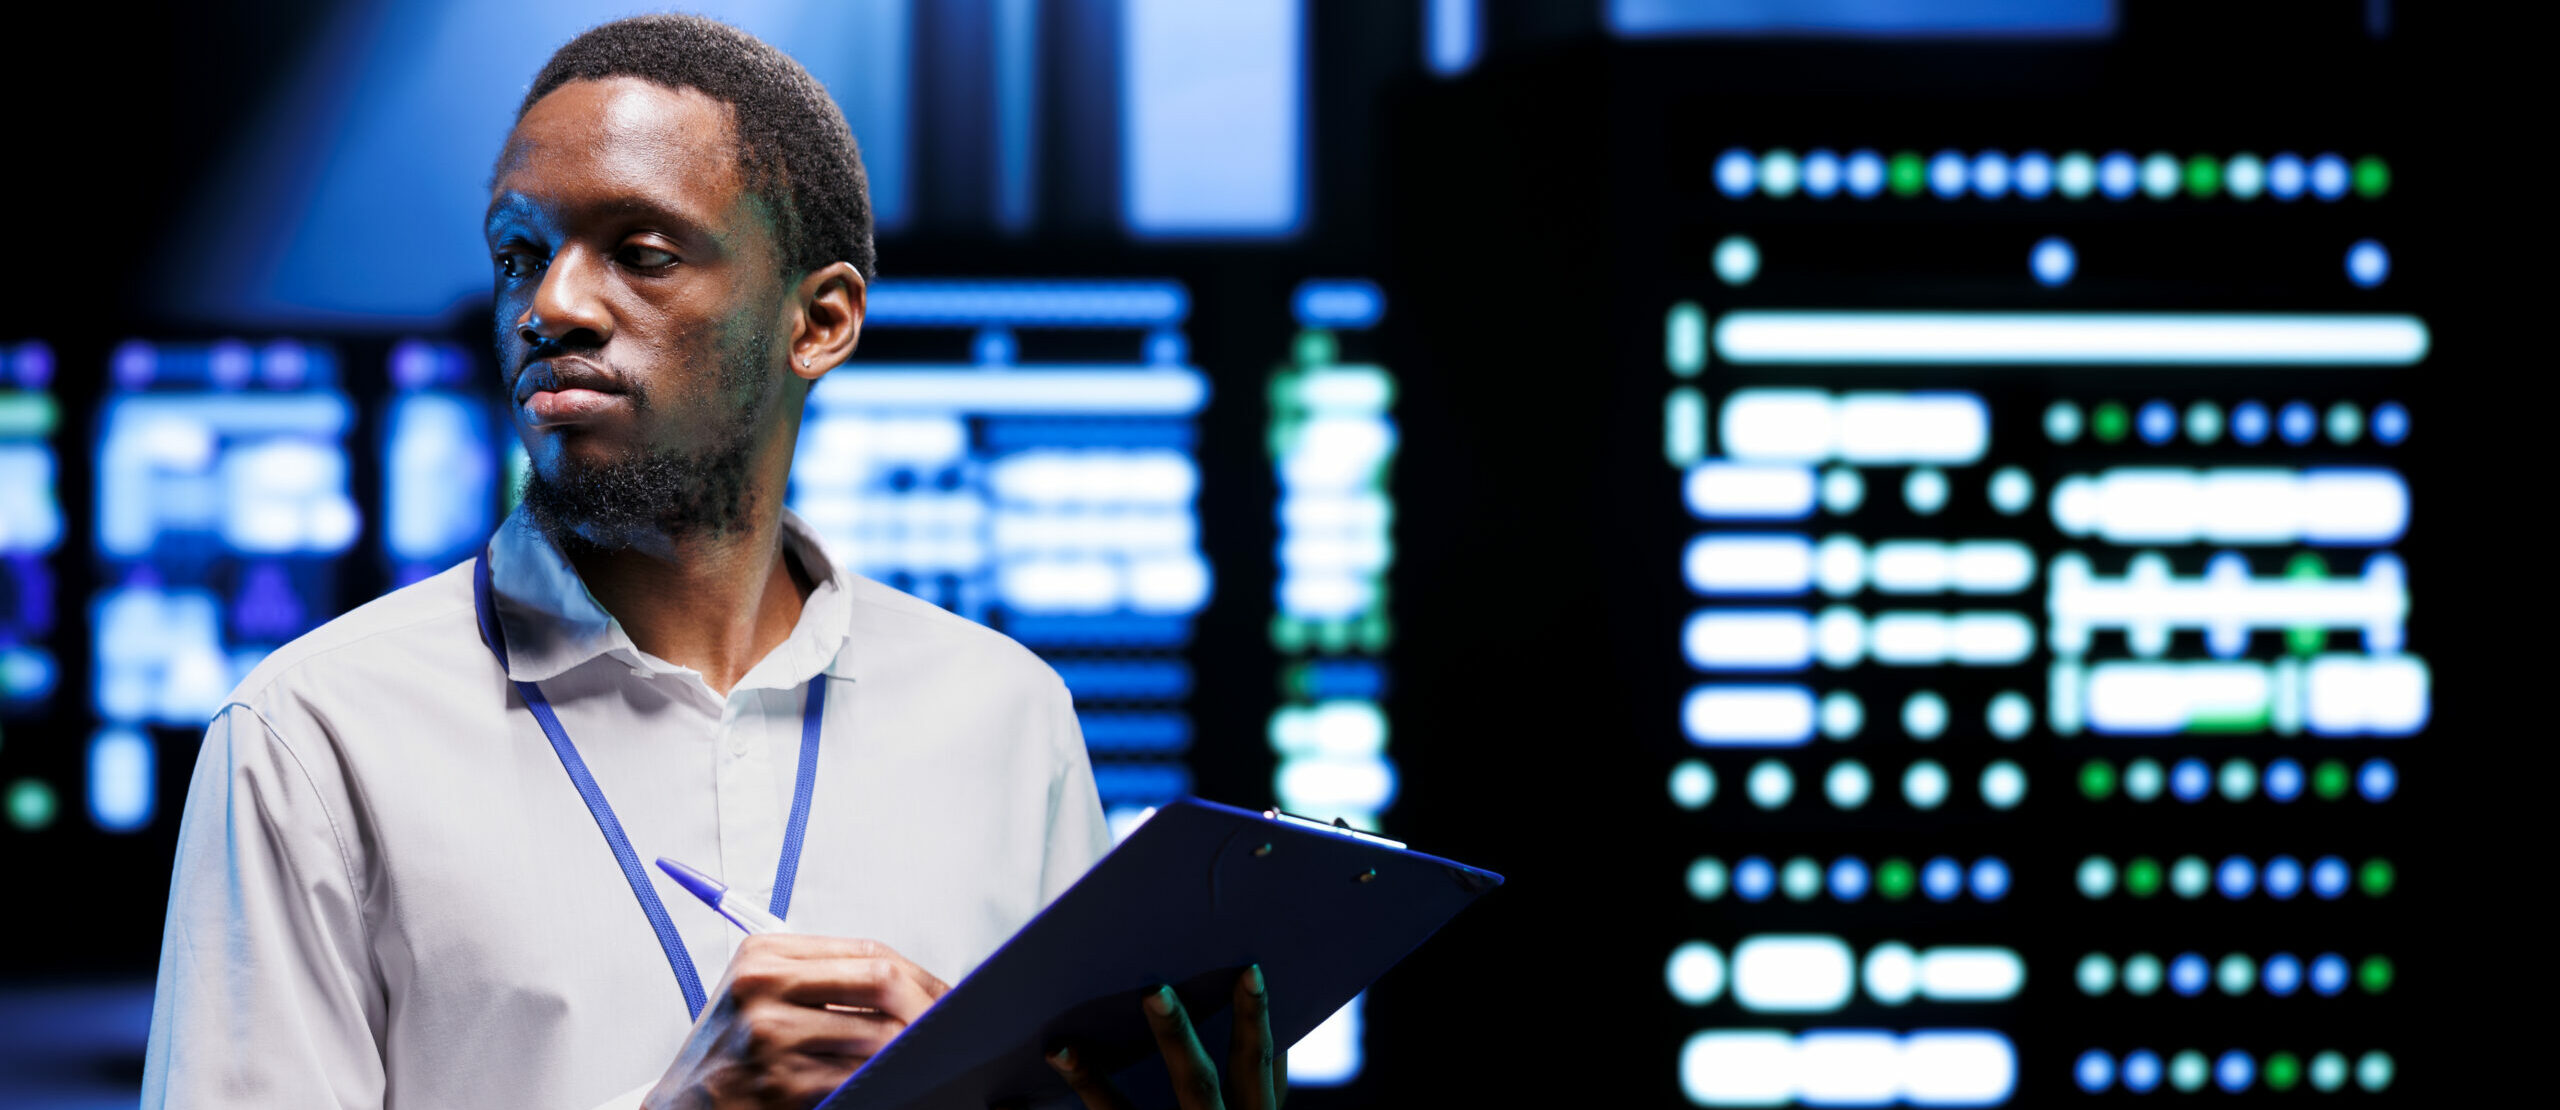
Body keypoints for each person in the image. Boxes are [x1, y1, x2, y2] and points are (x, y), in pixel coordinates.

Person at [141, 15, 1280, 1110]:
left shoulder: (1006, 715)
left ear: (820, 322)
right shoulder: (316, 732)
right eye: (519, 255)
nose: (551, 306)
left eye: (641, 254)